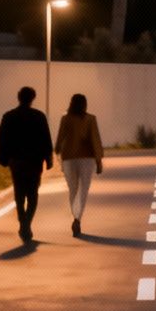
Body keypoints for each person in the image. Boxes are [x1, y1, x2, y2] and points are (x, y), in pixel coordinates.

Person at [0, 86, 53, 244]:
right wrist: (49, 159)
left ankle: (23, 222)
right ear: (33, 98)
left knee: (19, 193)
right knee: (33, 194)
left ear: (18, 97)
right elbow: (46, 139)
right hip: (34, 161)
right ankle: (26, 223)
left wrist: (3, 156)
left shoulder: (9, 116)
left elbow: (1, 139)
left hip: (16, 161)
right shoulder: (39, 116)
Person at [55, 93, 105, 238]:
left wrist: (57, 148)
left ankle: (75, 215)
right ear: (85, 104)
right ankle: (77, 218)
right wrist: (98, 160)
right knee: (83, 189)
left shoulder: (65, 118)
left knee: (73, 189)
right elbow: (95, 139)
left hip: (69, 158)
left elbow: (60, 137)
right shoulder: (90, 119)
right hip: (87, 159)